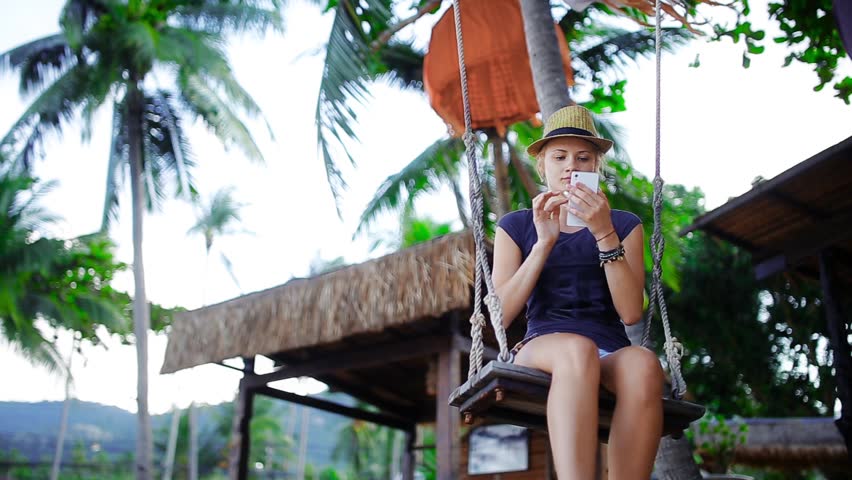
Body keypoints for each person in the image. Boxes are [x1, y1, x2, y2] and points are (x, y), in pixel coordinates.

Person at [492, 105, 663, 479]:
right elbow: (500, 316)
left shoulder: (622, 224)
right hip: (542, 346)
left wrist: (603, 233)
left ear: (596, 167)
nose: (571, 165)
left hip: (608, 350)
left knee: (645, 364)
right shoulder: (516, 225)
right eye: (560, 156)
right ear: (543, 166)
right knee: (576, 349)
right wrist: (543, 244)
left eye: (583, 157)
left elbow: (631, 312)